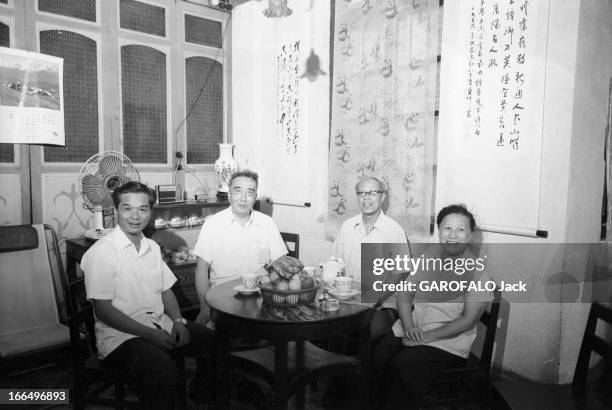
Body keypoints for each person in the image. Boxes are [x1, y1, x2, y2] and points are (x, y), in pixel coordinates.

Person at [81, 181, 213, 410]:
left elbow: (166, 290)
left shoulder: (151, 246)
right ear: (116, 211)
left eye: (142, 209)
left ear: (150, 212)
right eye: (127, 208)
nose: (135, 216)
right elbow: (103, 310)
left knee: (213, 342)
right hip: (120, 339)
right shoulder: (102, 253)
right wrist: (151, 335)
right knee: (162, 369)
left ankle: (205, 398)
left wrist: (178, 321)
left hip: (159, 324)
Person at [372, 204, 494, 409]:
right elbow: (404, 294)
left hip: (446, 342)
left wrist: (425, 337)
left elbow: (468, 321)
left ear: (470, 235)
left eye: (460, 230)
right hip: (413, 329)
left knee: (404, 366)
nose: (452, 235)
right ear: (439, 231)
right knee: (377, 355)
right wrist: (410, 328)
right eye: (447, 228)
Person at [192, 169, 288, 325]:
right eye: (238, 191)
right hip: (222, 298)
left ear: (255, 197)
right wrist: (204, 309)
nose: (243, 198)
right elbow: (201, 269)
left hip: (260, 297)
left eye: (250, 193)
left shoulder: (267, 223)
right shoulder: (213, 224)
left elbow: (281, 263)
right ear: (229, 194)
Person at [331, 176, 410, 341]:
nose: (366, 198)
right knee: (325, 328)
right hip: (348, 298)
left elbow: (399, 274)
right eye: (361, 193)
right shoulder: (347, 226)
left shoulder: (394, 231)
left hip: (382, 304)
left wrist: (372, 299)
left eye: (372, 193)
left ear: (382, 197)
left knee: (365, 332)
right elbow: (336, 263)